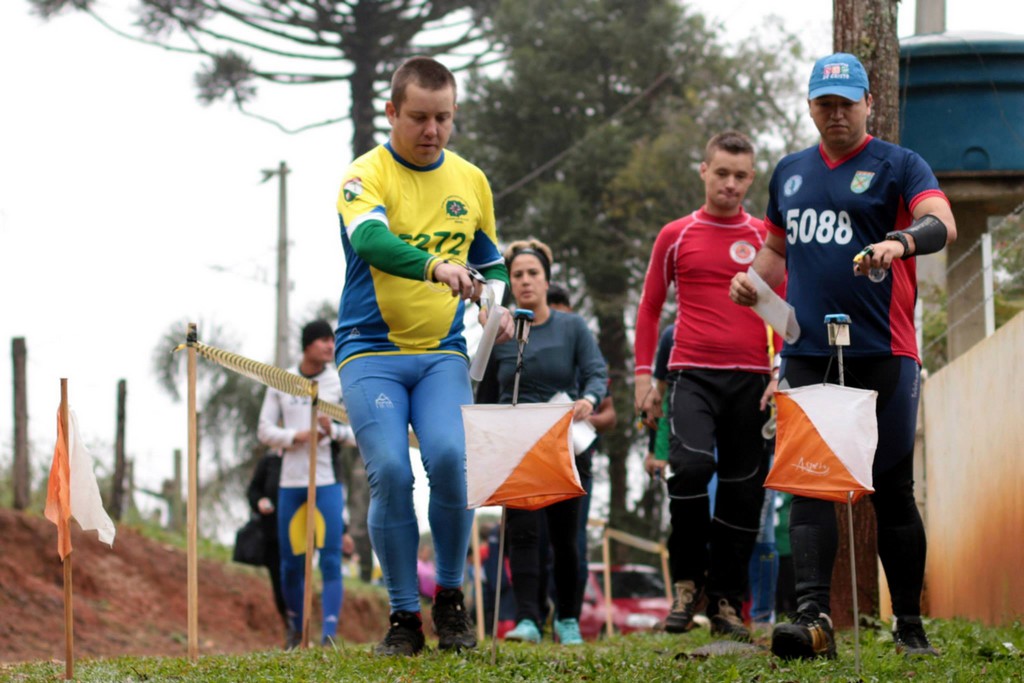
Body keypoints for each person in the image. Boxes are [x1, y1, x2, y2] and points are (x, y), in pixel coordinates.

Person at [729, 53, 957, 660]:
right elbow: (776, 249)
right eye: (825, 104)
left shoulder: (899, 164)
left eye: (847, 103)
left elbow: (942, 223)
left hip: (884, 349)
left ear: (868, 104)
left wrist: (900, 241)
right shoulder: (789, 172)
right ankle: (812, 621)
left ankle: (909, 626)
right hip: (806, 349)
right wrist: (754, 281)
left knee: (892, 487)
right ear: (810, 107)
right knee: (809, 484)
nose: (836, 114)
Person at [334, 56, 514, 657]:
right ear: (392, 112)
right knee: (390, 470)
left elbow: (489, 260)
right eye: (418, 117)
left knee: (450, 459)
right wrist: (435, 265)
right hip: (370, 352)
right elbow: (369, 239)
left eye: (443, 118)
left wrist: (495, 304)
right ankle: (403, 617)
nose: (432, 130)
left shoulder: (471, 179)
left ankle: (451, 601)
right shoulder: (365, 174)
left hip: (442, 355)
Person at [634, 131, 780, 643]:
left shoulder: (766, 236)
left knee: (743, 493)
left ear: (751, 178)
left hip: (752, 380)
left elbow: (784, 305)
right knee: (692, 469)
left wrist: (780, 369)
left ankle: (726, 602)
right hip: (691, 374)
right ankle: (687, 584)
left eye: (740, 176)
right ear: (704, 171)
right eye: (722, 173)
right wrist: (642, 378)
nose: (730, 184)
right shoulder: (676, 234)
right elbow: (650, 307)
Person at [476, 239, 608, 646]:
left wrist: (590, 399)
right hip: (517, 447)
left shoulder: (572, 327)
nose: (525, 281)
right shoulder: (499, 332)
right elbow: (483, 391)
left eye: (533, 273)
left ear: (547, 280)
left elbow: (596, 372)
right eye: (517, 275)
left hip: (564, 443)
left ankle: (566, 619)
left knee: (565, 539)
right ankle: (528, 619)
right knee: (523, 535)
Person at [257, 319, 356, 648]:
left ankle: (329, 635)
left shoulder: (338, 382)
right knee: (290, 564)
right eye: (323, 340)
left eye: (332, 340)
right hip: (290, 484)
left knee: (330, 559)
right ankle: (297, 631)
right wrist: (295, 436)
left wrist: (333, 431)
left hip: (327, 482)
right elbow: (264, 430)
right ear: (307, 344)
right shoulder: (282, 380)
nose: (330, 346)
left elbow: (358, 432)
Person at [546, 282, 617, 609]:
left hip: (578, 454)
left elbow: (610, 415)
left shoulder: (586, 359)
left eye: (561, 315)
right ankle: (538, 614)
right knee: (538, 539)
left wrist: (582, 418)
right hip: (539, 456)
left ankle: (570, 613)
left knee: (574, 538)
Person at [244, 452, 288, 638]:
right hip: (272, 535)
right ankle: (290, 626)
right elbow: (253, 490)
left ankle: (302, 623)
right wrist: (259, 501)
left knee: (296, 578)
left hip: (297, 536)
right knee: (278, 582)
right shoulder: (269, 461)